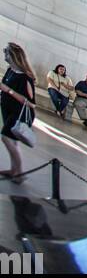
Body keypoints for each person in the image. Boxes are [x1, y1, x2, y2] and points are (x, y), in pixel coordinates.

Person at [1, 41, 36, 183]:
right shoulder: (10, 70)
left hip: (19, 113)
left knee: (6, 137)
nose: (4, 53)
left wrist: (7, 90)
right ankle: (13, 169)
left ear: (13, 55)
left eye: (6, 51)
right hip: (7, 109)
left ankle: (20, 173)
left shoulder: (25, 77)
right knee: (13, 141)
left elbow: (31, 103)